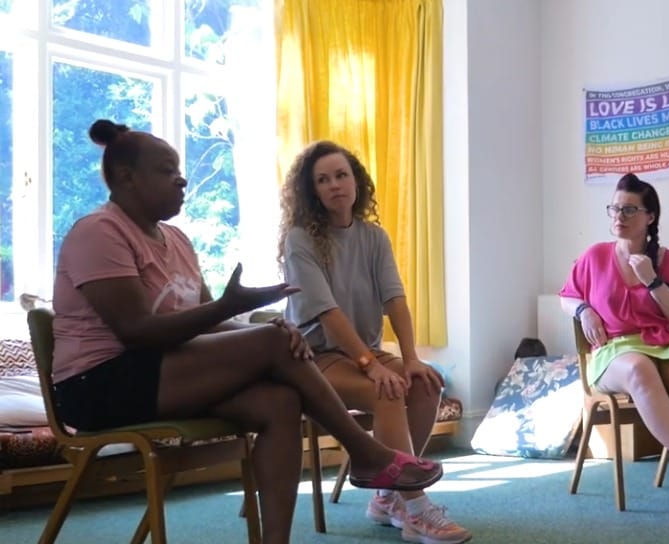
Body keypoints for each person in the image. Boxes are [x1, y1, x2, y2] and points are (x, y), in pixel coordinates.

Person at [51, 120, 443, 544]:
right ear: (127, 177)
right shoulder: (99, 232)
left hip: (158, 374)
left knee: (280, 400)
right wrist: (241, 318)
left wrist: (255, 326)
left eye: (180, 169)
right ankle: (365, 453)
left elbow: (206, 319)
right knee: (274, 341)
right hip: (98, 384)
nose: (182, 179)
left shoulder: (177, 240)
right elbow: (136, 332)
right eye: (167, 171)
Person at [278, 140, 470, 544]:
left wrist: (412, 358)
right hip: (316, 356)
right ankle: (416, 507)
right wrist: (373, 365)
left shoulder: (373, 237)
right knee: (385, 390)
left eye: (341, 175)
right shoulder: (301, 239)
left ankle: (387, 494)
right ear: (312, 192)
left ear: (356, 181)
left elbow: (395, 299)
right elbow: (328, 314)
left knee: (425, 382)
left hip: (363, 351)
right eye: (323, 180)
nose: (334, 185)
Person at [558, 173, 669, 532]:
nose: (619, 217)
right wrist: (583, 310)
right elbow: (567, 295)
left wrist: (653, 281)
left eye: (630, 210)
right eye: (615, 208)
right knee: (639, 369)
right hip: (617, 350)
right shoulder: (595, 256)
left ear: (650, 217)